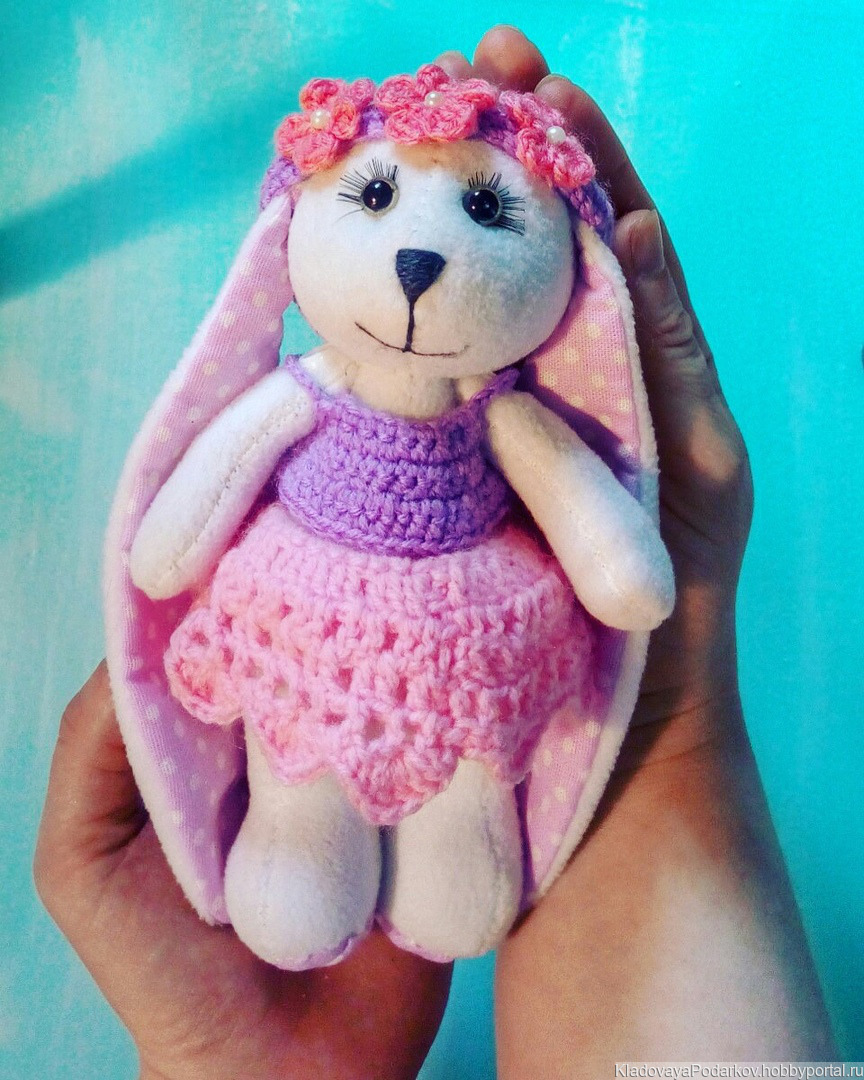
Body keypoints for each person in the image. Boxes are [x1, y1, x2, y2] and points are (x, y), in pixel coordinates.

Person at [34, 25, 837, 1079]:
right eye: (373, 196)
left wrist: (645, 610)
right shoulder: (306, 393)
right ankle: (298, 843)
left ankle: (457, 849)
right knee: (300, 753)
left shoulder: (505, 413)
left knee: (472, 770)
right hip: (308, 609)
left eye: (492, 211)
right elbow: (183, 524)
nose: (421, 256)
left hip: (476, 624)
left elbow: (610, 551)